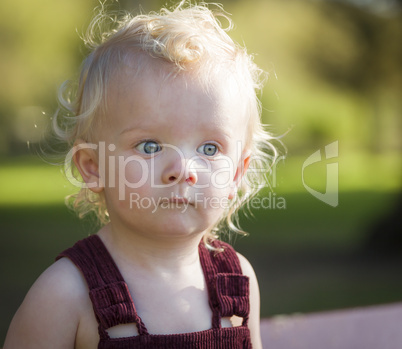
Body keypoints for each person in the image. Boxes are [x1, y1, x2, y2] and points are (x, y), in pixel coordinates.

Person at [4, 2, 278, 348]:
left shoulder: (238, 280)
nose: (182, 170)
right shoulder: (65, 294)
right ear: (93, 166)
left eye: (209, 149)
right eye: (150, 146)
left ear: (238, 172)